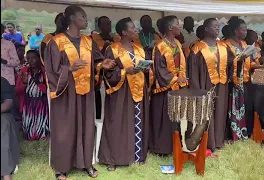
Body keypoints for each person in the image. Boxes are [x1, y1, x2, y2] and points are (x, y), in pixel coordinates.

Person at [43, 5, 116, 179]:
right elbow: (51, 70)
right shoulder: (57, 41)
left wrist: (101, 65)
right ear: (72, 19)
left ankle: (86, 163)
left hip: (86, 91)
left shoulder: (88, 41)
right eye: (82, 17)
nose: (86, 19)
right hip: (65, 93)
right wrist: (68, 69)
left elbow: (95, 62)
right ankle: (62, 167)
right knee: (65, 128)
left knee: (86, 126)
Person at [98, 17, 150, 171]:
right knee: (118, 123)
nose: (136, 30)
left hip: (139, 89)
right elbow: (107, 73)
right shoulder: (113, 49)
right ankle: (113, 159)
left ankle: (137, 155)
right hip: (121, 91)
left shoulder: (139, 48)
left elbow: (145, 67)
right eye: (133, 28)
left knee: (137, 122)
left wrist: (147, 69)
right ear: (124, 32)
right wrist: (124, 71)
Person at [224, 17, 264, 140]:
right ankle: (233, 134)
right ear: (236, 31)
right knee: (234, 109)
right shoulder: (226, 45)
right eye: (243, 30)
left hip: (246, 81)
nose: (246, 32)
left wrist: (261, 65)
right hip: (233, 83)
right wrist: (239, 59)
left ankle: (246, 132)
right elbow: (227, 63)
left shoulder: (245, 44)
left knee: (248, 107)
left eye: (246, 30)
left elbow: (250, 63)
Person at [188, 18, 231, 151]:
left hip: (222, 85)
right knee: (206, 112)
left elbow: (230, 63)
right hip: (204, 85)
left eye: (218, 26)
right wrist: (197, 89)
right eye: (214, 26)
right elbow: (193, 71)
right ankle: (207, 142)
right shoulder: (197, 48)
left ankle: (218, 140)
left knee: (219, 111)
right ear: (206, 29)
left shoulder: (223, 46)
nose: (217, 28)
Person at [149, 15, 188, 155]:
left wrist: (182, 78)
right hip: (165, 89)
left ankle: (174, 145)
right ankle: (161, 148)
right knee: (163, 119)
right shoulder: (160, 46)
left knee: (175, 118)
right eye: (178, 23)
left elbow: (182, 63)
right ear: (171, 27)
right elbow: (159, 68)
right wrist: (174, 79)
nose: (180, 26)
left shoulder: (177, 43)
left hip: (178, 87)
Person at [16, 50, 49, 140]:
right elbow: (17, 91)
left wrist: (38, 82)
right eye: (28, 58)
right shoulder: (24, 71)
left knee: (41, 131)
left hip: (42, 104)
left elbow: (50, 91)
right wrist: (24, 83)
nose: (31, 60)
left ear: (39, 59)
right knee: (29, 134)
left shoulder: (44, 71)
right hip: (28, 103)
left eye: (34, 58)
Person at [1, 77, 20, 180]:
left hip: (3, 114)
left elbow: (8, 103)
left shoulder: (2, 81)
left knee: (2, 128)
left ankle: (6, 173)